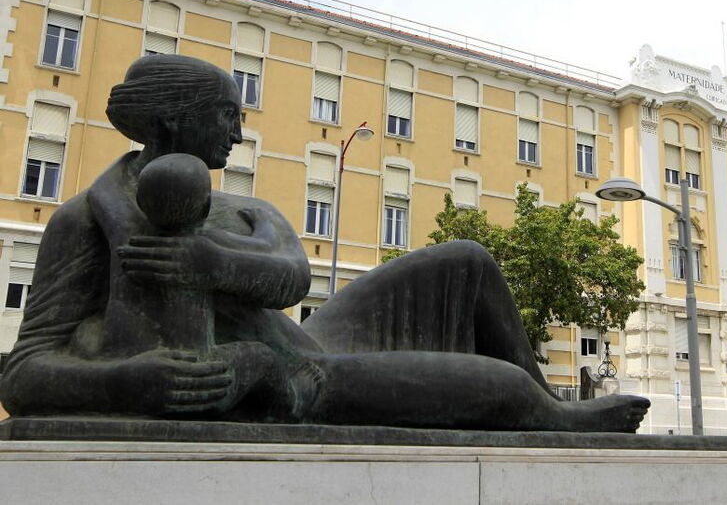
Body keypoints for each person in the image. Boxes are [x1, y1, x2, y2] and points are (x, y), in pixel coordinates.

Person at [0, 55, 649, 433]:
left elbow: (292, 275)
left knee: (469, 262)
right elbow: (24, 372)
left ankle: (558, 414)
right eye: (228, 112)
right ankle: (538, 408)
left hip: (317, 340)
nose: (240, 127)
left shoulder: (240, 206)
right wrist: (133, 381)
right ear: (174, 117)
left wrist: (212, 262)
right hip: (308, 374)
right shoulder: (87, 220)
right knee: (503, 391)